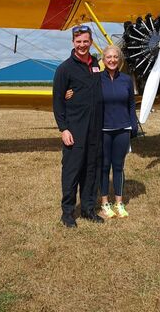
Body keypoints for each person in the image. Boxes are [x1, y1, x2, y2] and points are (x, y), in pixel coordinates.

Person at [66, 45, 137, 219]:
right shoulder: (96, 78)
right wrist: (69, 93)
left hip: (122, 128)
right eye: (109, 57)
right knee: (104, 167)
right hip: (103, 129)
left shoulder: (127, 80)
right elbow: (82, 90)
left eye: (115, 57)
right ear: (103, 60)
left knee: (118, 166)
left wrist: (133, 125)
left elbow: (131, 104)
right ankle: (105, 203)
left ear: (119, 60)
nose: (112, 60)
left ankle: (119, 203)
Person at [52, 25, 104, 228]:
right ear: (73, 43)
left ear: (91, 42)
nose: (82, 45)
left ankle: (88, 209)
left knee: (91, 170)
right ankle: (67, 213)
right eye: (78, 41)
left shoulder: (97, 66)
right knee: (72, 171)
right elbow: (57, 102)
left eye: (85, 41)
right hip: (75, 130)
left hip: (95, 129)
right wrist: (63, 129)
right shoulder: (64, 68)